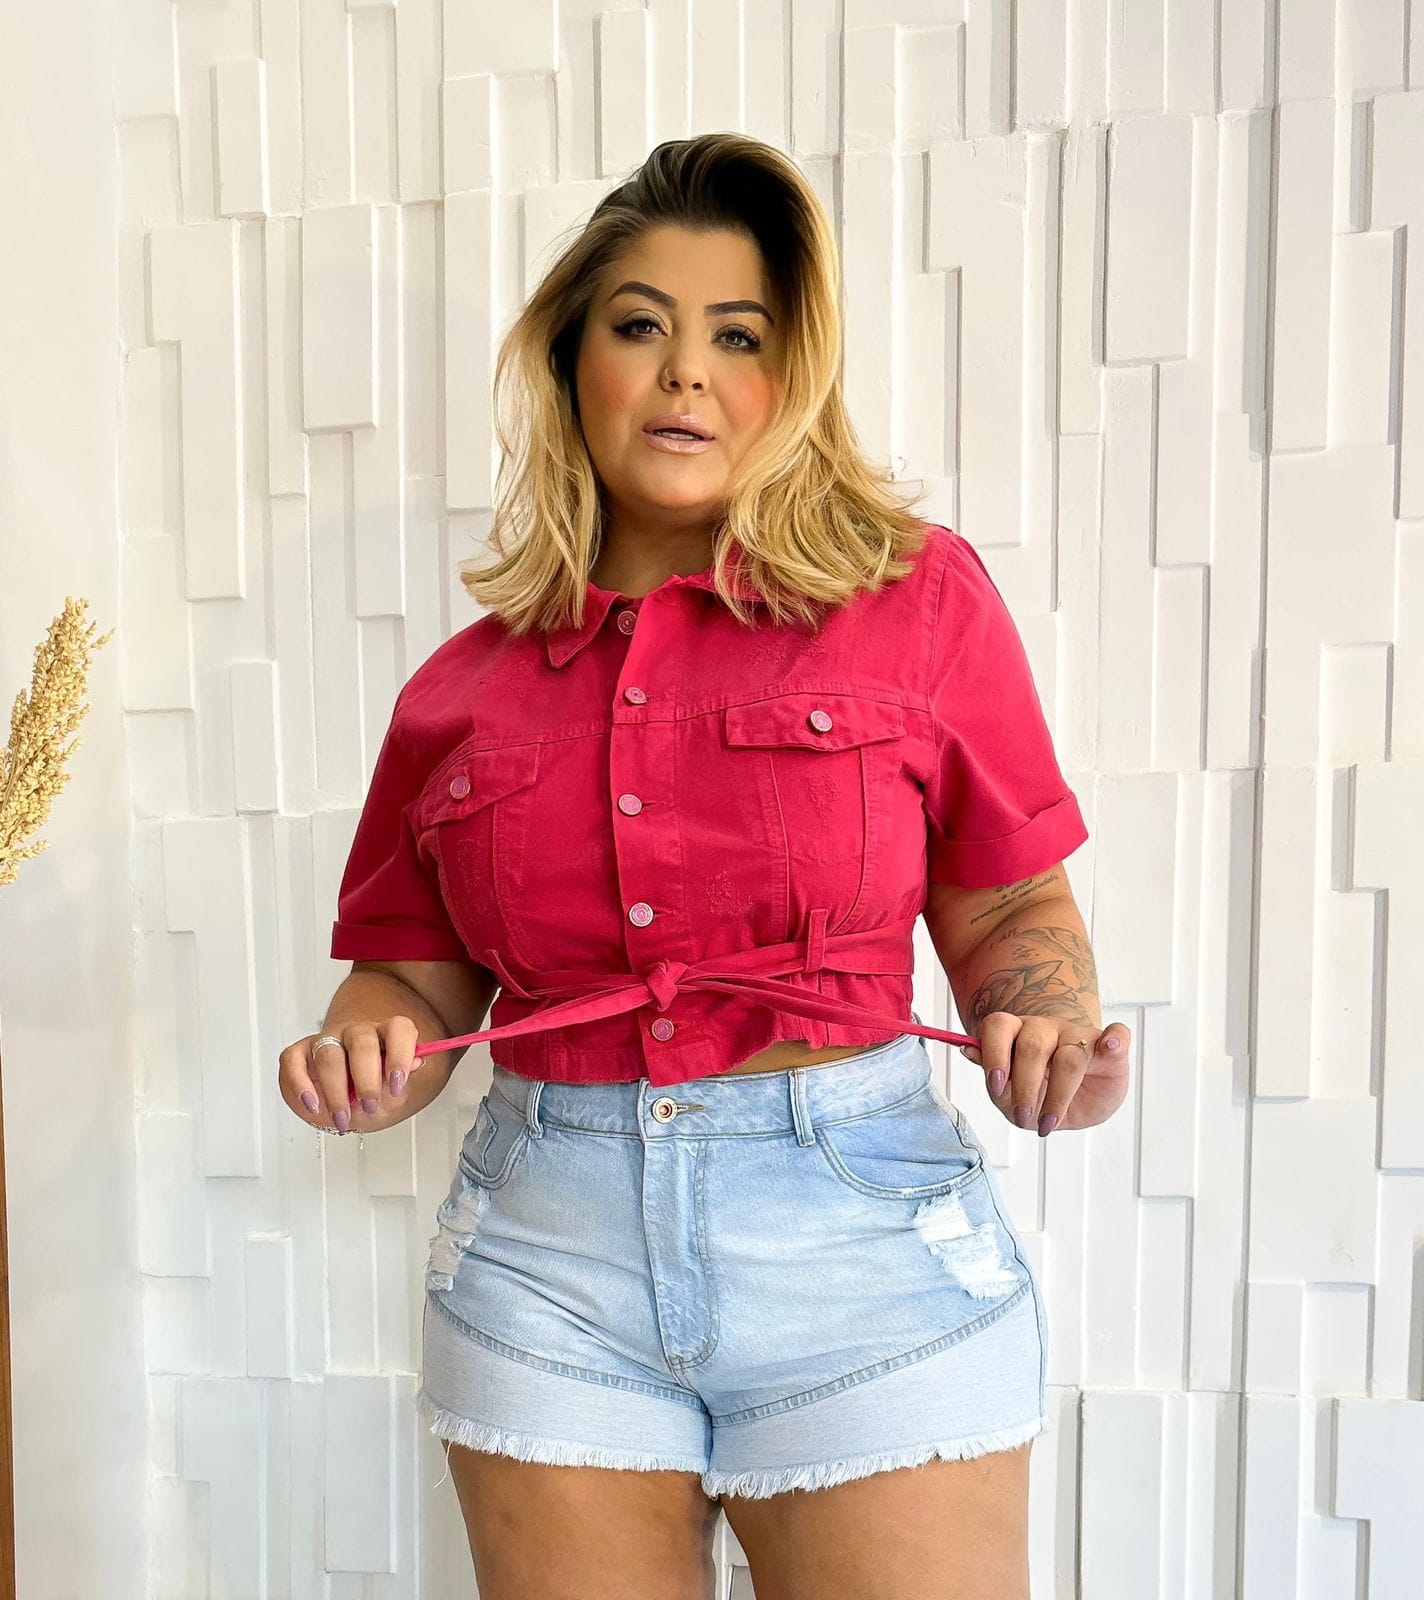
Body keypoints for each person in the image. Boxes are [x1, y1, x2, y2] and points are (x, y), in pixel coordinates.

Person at [279, 133, 1130, 1600]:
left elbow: (1006, 898)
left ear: (790, 380)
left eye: (738, 335)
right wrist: (362, 1054)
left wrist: (1042, 1023)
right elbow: (410, 982)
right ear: (571, 364)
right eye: (640, 327)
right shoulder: (457, 694)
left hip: (861, 1246)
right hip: (548, 1265)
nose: (686, 372)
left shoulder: (918, 598)